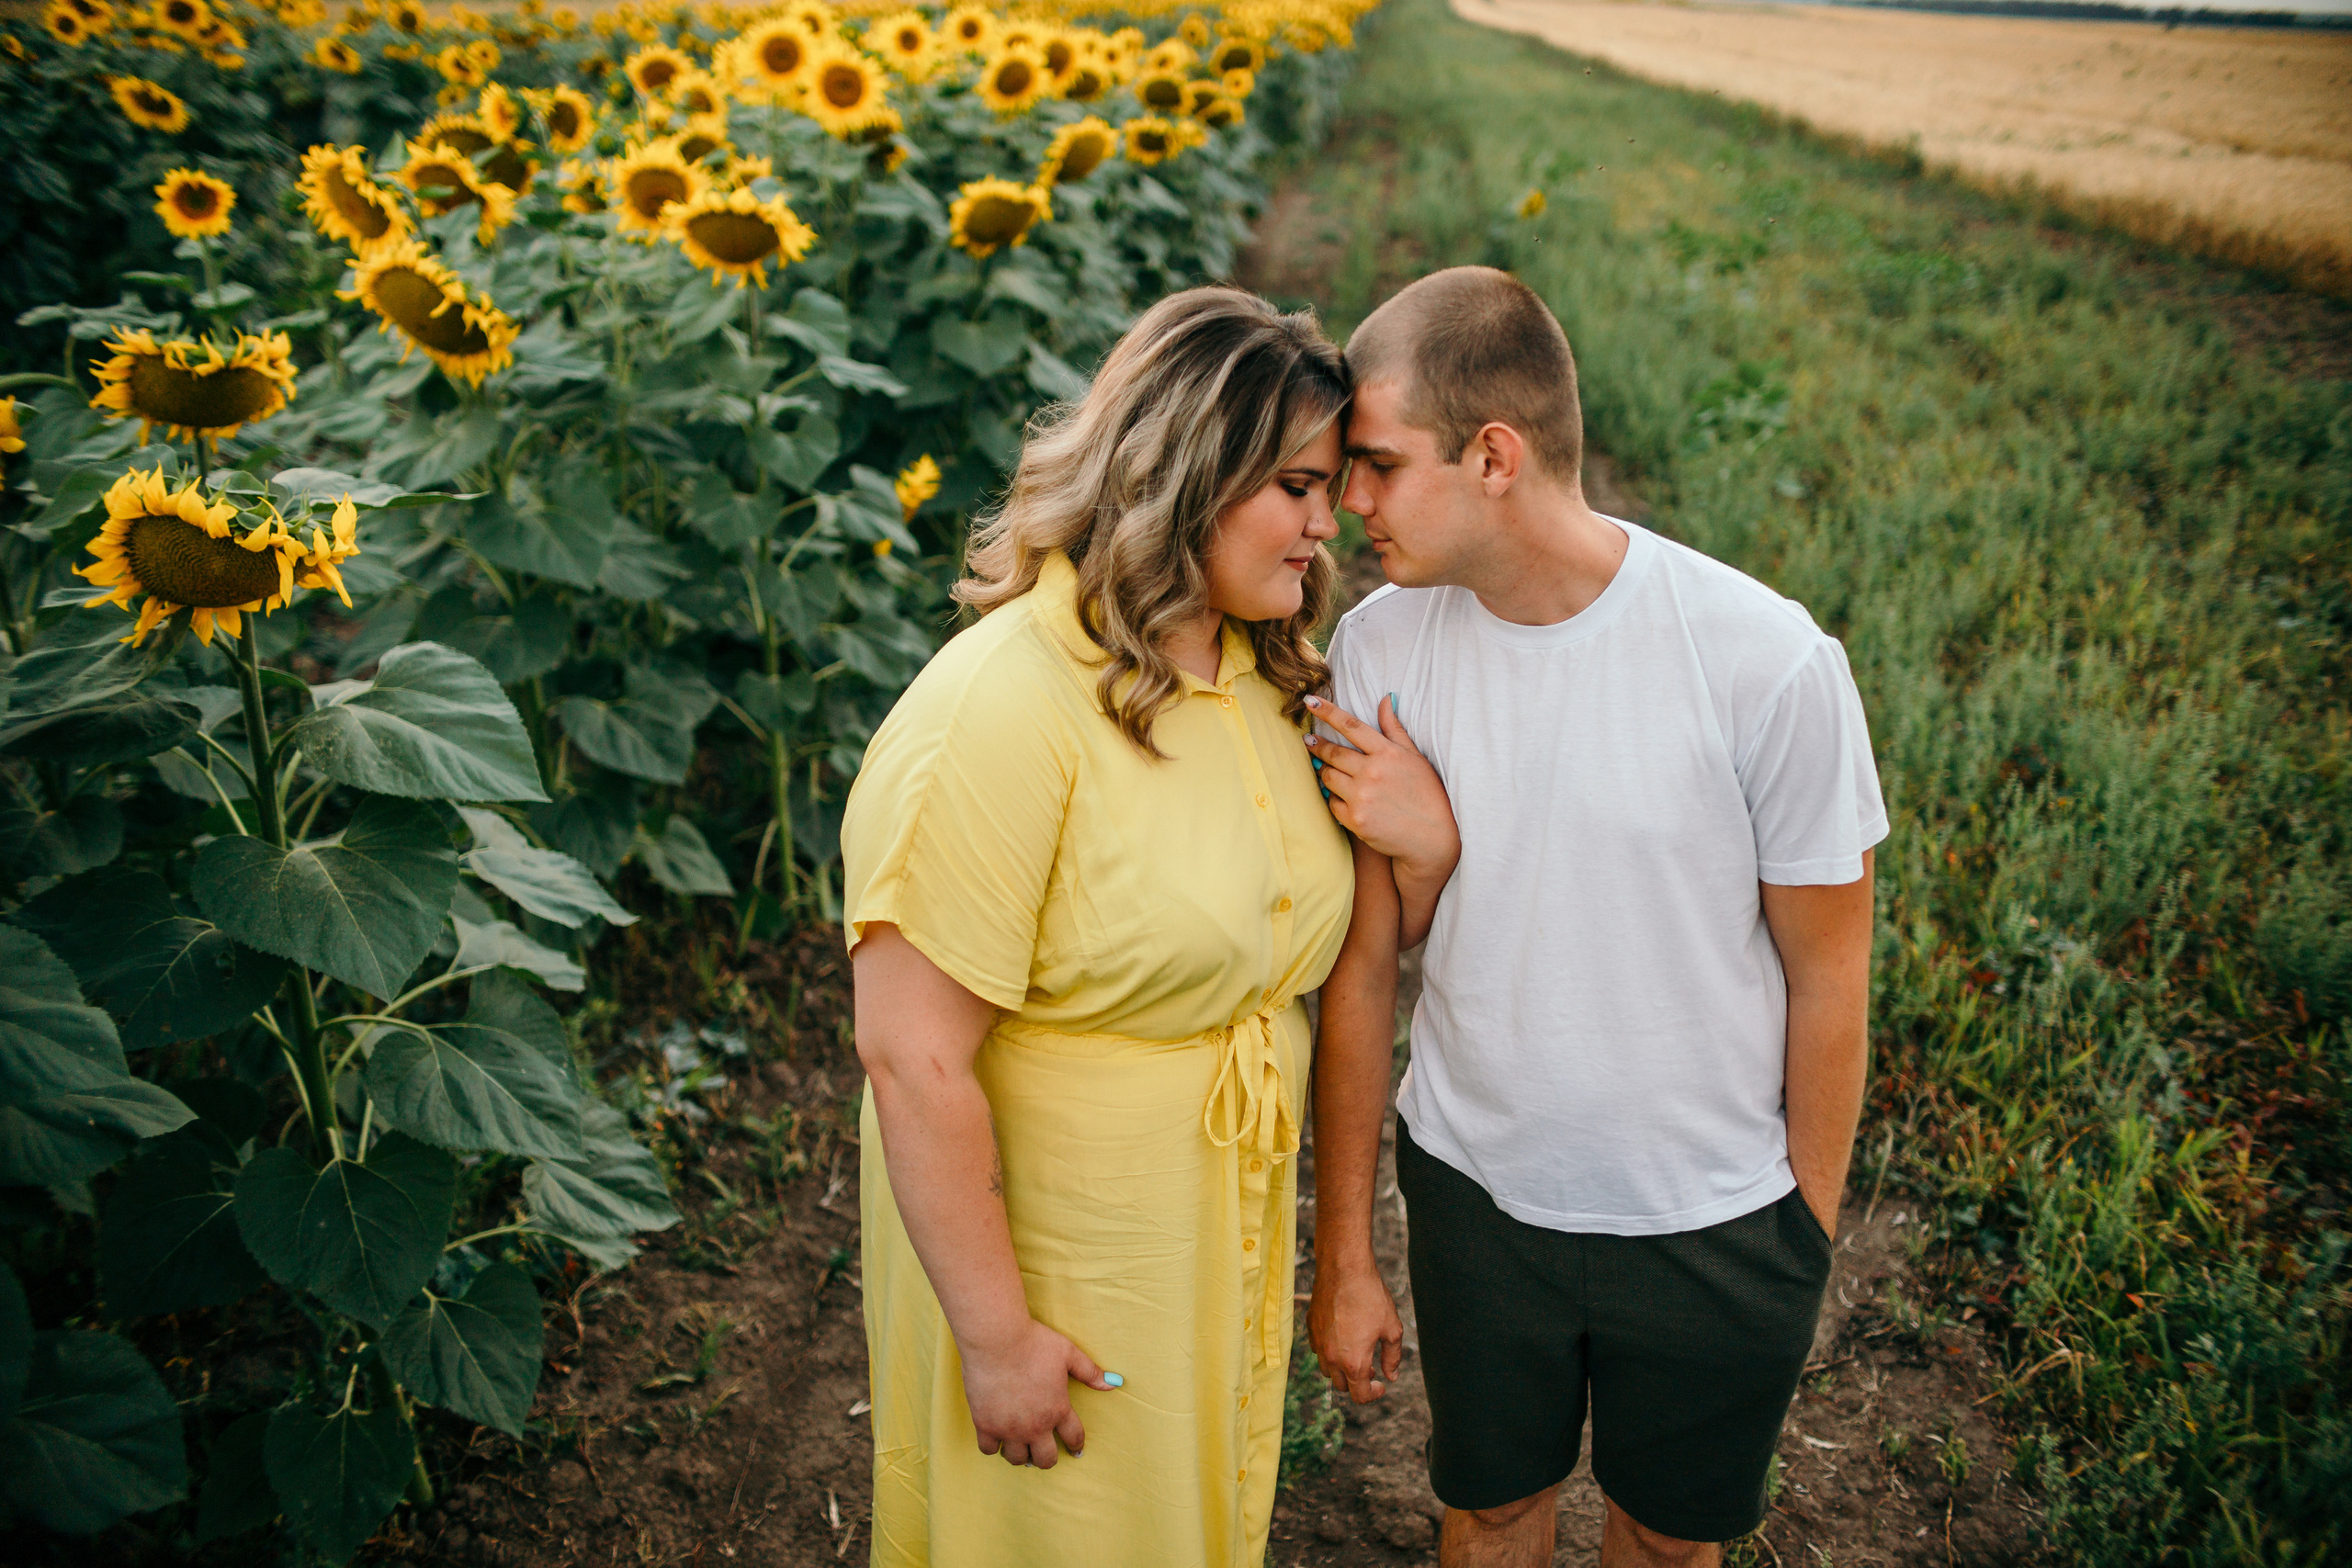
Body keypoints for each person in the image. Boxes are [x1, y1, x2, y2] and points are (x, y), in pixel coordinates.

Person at [1306, 266, 1887, 1568]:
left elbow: (1831, 973)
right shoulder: (1380, 653)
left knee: (1665, 1543)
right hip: (1476, 1199)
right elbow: (1358, 970)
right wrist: (1347, 1250)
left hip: (1716, 1221)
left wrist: (1802, 1232)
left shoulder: (1765, 662)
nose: (1348, 504)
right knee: (1491, 1515)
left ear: (1495, 456)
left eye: (1379, 465)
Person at [842, 288, 1428, 1567]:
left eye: (1333, 485)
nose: (1328, 524)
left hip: (1213, 1223)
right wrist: (998, 1339)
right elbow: (911, 1054)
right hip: (1063, 1251)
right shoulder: (1004, 707)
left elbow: (1323, 943)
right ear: (1183, 472)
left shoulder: (1271, 676)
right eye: (1296, 485)